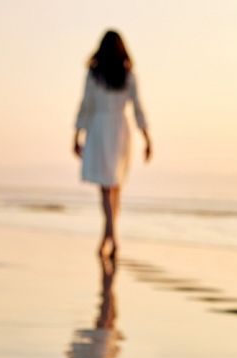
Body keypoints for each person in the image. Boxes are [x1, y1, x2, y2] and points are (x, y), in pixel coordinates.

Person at [73, 30, 151, 259]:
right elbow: (138, 108)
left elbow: (85, 106)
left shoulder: (96, 75)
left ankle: (110, 236)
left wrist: (77, 134)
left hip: (100, 129)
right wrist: (146, 137)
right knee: (113, 187)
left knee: (108, 187)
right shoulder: (126, 75)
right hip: (119, 129)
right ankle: (110, 235)